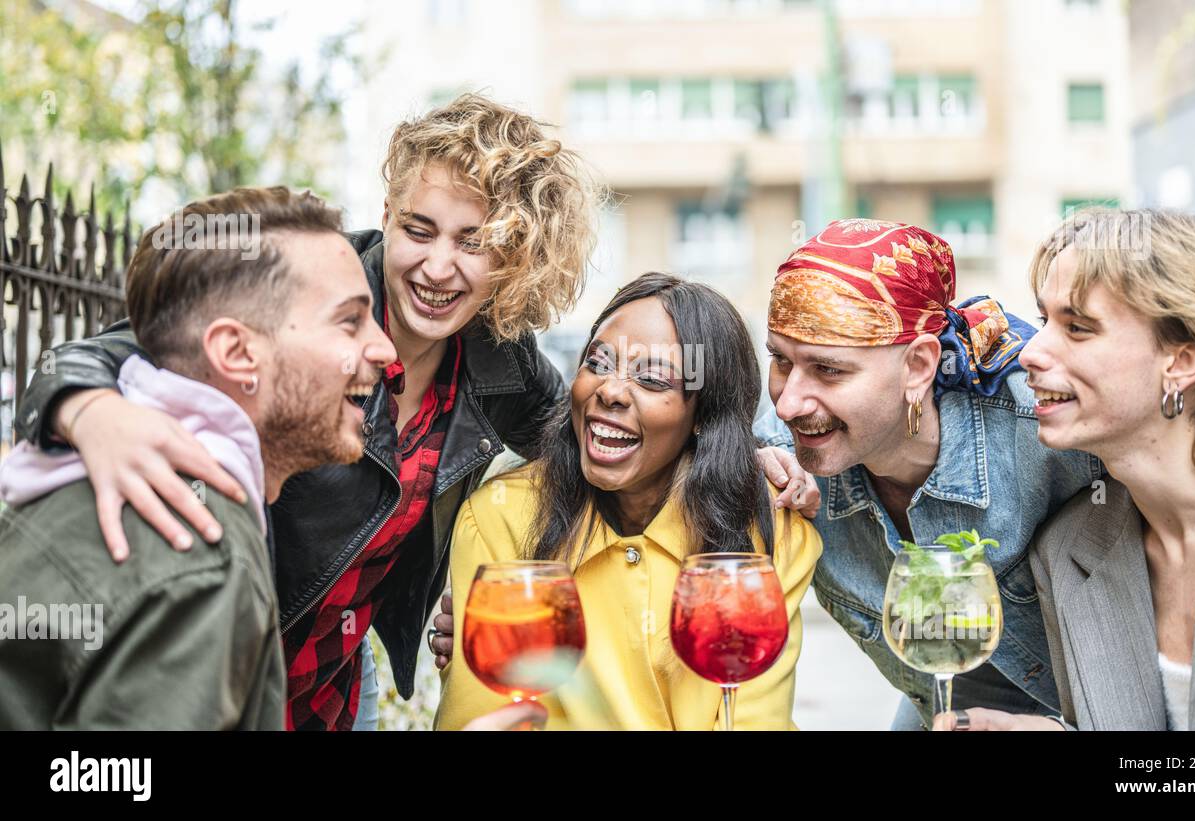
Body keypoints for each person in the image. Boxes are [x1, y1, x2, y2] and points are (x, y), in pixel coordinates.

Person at [11, 93, 603, 730]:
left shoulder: (500, 361)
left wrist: (504, 590)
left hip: (336, 676)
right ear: (387, 215)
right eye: (418, 230)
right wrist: (93, 411)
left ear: (511, 255)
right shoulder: (313, 281)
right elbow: (92, 356)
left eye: (472, 242)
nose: (437, 266)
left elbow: (583, 464)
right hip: (233, 651)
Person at [0, 187, 395, 729]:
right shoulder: (198, 552)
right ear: (235, 353)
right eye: (350, 321)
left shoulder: (74, 476)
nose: (384, 350)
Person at [935, 208, 1195, 731]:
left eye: (1078, 327)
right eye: (1044, 322)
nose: (1030, 352)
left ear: (1182, 361)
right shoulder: (1065, 551)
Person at [753, 218, 1103, 729]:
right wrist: (742, 489)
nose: (788, 402)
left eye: (829, 369)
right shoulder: (782, 457)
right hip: (945, 712)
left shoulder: (1049, 430)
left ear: (918, 366)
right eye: (780, 362)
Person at [434, 273, 821, 730]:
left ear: (704, 415)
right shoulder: (502, 516)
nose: (611, 391)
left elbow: (755, 723)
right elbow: (482, 720)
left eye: (653, 378)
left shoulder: (767, 532)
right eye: (597, 363)